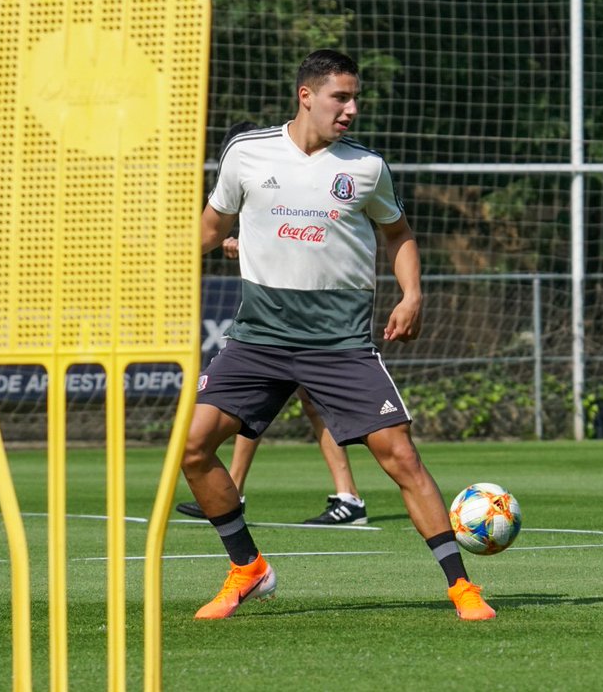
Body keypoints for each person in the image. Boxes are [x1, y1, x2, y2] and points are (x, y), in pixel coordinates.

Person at [180, 49, 494, 621]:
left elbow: (399, 234)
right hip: (259, 337)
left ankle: (462, 589)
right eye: (339, 97)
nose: (350, 109)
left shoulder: (366, 167)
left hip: (340, 344)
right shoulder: (246, 155)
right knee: (192, 446)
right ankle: (247, 568)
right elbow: (210, 227)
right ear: (306, 95)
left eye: (355, 98)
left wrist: (413, 294)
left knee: (400, 457)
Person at [177, 195, 368, 525]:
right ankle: (237, 489)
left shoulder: (299, 174)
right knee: (257, 402)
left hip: (316, 310)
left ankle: (349, 497)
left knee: (305, 400)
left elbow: (303, 233)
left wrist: (247, 244)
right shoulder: (253, 175)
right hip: (276, 308)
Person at [174, 386, 369, 525]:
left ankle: (349, 498)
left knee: (312, 400)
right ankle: (232, 493)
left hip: (304, 333)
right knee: (255, 400)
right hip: (273, 332)